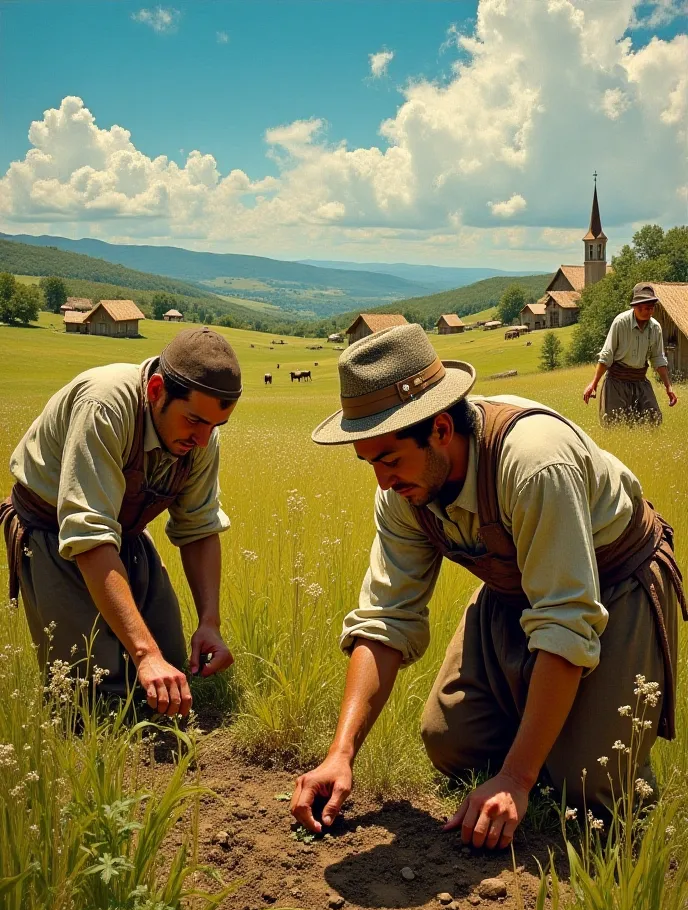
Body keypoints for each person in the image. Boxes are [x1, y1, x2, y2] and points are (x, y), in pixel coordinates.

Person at [291, 323, 685, 850]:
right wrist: (341, 754)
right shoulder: (403, 491)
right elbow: (385, 618)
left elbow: (567, 617)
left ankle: (557, 754)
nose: (382, 482)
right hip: (513, 591)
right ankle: (545, 740)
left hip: (614, 585)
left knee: (590, 787)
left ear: (440, 432)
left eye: (388, 459)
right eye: (369, 463)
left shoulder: (534, 462)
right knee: (449, 744)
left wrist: (518, 780)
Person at [0, 326, 240, 717]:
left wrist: (209, 623)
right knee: (88, 692)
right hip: (52, 534)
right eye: (194, 421)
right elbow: (88, 534)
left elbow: (198, 528)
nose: (203, 439)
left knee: (176, 670)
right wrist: (145, 655)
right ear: (156, 389)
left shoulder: (202, 437)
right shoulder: (105, 406)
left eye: (215, 426)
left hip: (125, 536)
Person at [583, 283, 678, 425]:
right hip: (616, 382)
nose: (649, 312)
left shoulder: (655, 328)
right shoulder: (620, 323)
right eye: (646, 308)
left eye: (652, 308)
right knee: (614, 423)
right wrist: (593, 383)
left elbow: (658, 359)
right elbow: (607, 355)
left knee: (653, 419)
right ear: (636, 307)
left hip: (639, 380)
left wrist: (668, 386)